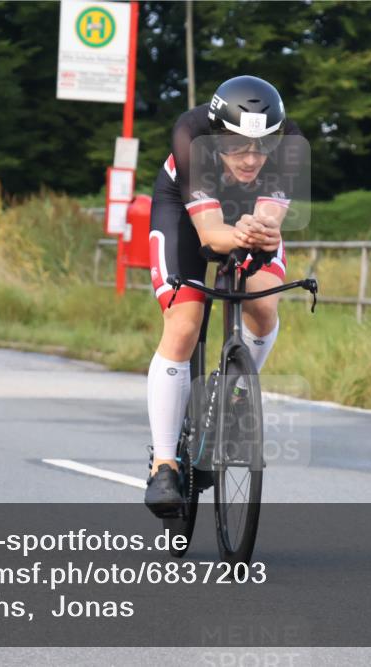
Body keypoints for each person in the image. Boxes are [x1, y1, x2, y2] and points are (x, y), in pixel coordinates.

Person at [144, 75, 304, 516]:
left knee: (264, 306)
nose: (251, 159)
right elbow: (211, 235)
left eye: (261, 147)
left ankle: (233, 399)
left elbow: (271, 215)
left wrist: (263, 228)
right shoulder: (190, 135)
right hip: (187, 213)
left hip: (246, 214)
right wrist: (235, 233)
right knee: (184, 321)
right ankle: (164, 464)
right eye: (237, 147)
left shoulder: (289, 143)